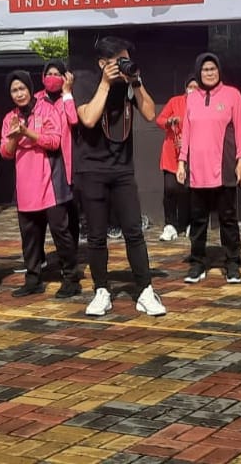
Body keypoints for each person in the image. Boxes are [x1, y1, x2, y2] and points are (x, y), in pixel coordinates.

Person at [73, 36, 165, 317]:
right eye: (119, 61)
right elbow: (88, 118)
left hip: (123, 168)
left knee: (134, 231)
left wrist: (136, 82)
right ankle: (101, 290)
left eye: (127, 59)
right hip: (92, 169)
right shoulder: (85, 81)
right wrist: (105, 83)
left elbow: (150, 114)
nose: (124, 65)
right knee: (96, 235)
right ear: (103, 63)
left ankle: (145, 290)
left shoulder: (129, 82)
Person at [0, 71, 78, 298]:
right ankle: (33, 279)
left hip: (50, 182)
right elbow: (5, 152)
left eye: (22, 89)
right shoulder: (9, 118)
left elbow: (54, 142)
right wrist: (15, 136)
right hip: (25, 184)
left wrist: (27, 132)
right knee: (30, 236)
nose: (19, 94)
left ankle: (71, 278)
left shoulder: (47, 109)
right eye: (14, 90)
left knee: (60, 232)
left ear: (30, 89)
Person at [177, 53, 241, 285]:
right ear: (198, 72)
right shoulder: (192, 98)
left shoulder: (232, 95)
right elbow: (186, 132)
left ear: (219, 70)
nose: (209, 73)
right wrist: (182, 161)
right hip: (197, 169)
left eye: (213, 69)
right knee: (198, 219)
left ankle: (232, 262)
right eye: (205, 69)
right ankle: (198, 263)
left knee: (228, 218)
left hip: (224, 166)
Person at [36, 60, 80, 243]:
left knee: (69, 207)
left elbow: (73, 119)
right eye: (49, 74)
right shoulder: (36, 99)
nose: (52, 78)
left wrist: (67, 93)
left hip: (64, 158)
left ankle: (71, 248)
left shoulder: (68, 98)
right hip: (42, 157)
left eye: (57, 74)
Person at [156, 74, 197, 242]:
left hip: (192, 155)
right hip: (171, 154)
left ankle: (187, 223)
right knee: (170, 189)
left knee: (187, 191)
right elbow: (159, 120)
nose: (193, 90)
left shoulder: (202, 105)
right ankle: (170, 225)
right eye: (190, 87)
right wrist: (169, 121)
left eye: (196, 87)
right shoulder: (175, 101)